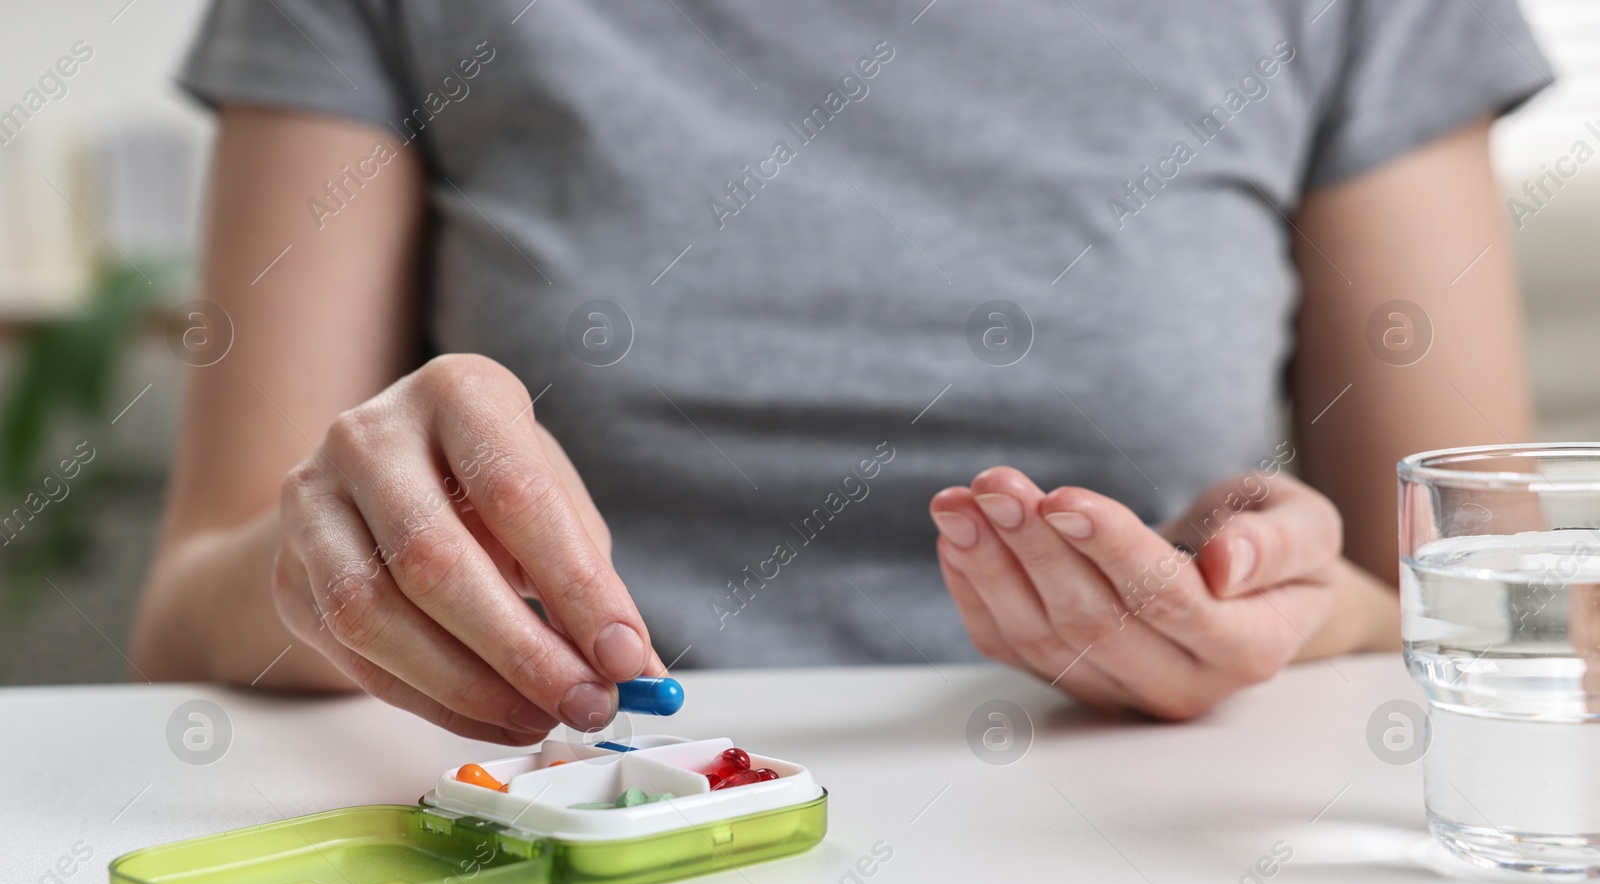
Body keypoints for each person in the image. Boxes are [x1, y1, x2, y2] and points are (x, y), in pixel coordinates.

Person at [132, 0, 1551, 741]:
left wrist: (1299, 616)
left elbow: (1514, 622)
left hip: (1144, 863)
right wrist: (345, 551)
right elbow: (191, 612)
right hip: (546, 853)